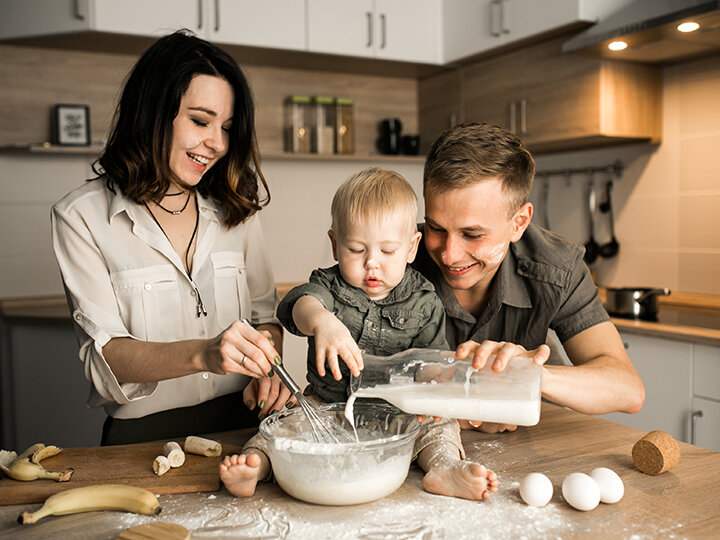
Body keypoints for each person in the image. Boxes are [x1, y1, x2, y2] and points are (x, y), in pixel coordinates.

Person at [51, 30, 291, 446]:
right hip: (141, 438)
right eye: (200, 121)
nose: (216, 144)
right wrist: (204, 353)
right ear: (152, 114)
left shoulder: (238, 207)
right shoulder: (81, 218)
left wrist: (269, 365)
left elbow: (264, 318)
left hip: (246, 428)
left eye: (227, 128)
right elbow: (105, 354)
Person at [220, 168, 499, 501]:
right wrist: (322, 320)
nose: (372, 264)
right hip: (328, 406)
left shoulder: (424, 300)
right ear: (335, 244)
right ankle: (258, 466)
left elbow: (431, 360)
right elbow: (300, 305)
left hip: (399, 414)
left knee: (440, 427)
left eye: (388, 251)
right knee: (285, 426)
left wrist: (439, 385)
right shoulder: (326, 286)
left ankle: (444, 469)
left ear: (411, 248)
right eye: (356, 250)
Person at [412, 122, 645, 433]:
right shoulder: (394, 259)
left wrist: (526, 376)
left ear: (519, 223)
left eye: (472, 234)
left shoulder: (557, 268)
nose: (449, 254)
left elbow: (628, 389)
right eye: (436, 228)